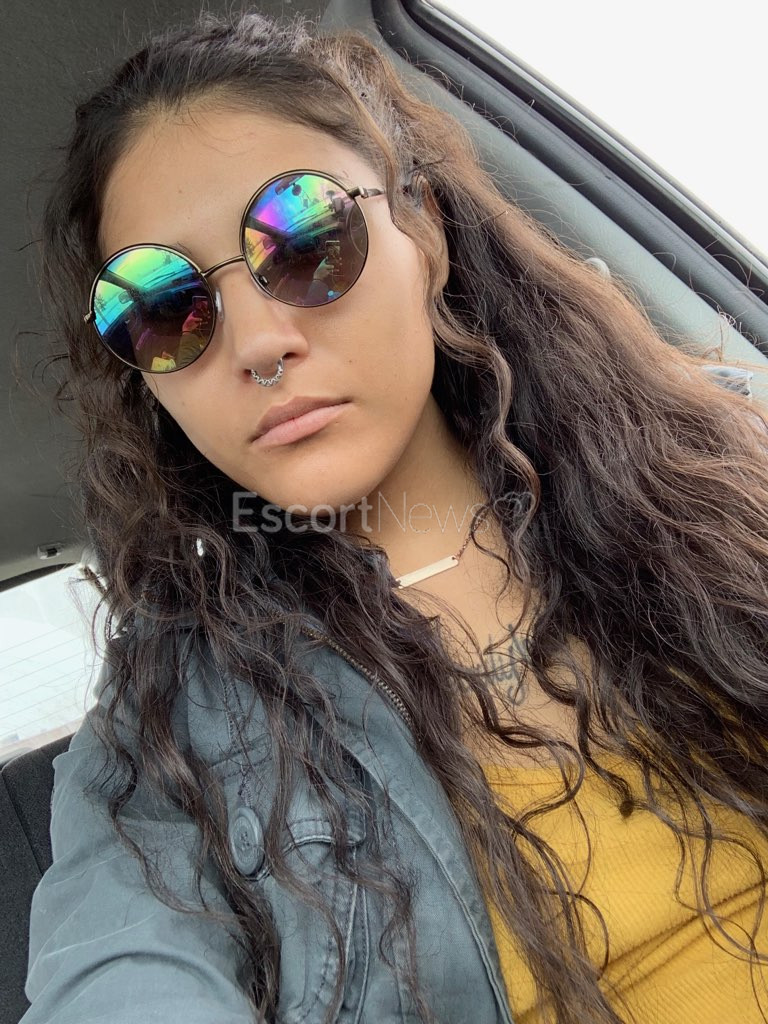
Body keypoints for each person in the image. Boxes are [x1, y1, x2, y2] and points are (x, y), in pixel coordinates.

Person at [21, 11, 768, 1024]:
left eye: (305, 239)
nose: (259, 344)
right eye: (163, 305)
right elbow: (118, 973)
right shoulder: (164, 731)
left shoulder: (724, 466)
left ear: (423, 232)